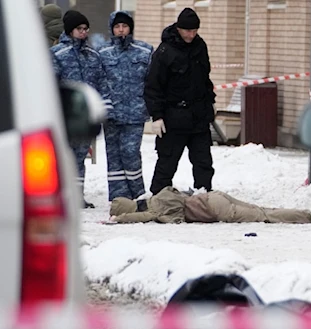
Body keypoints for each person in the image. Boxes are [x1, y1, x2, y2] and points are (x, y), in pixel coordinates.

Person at [144, 8, 216, 196]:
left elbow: (205, 79)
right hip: (173, 117)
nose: (191, 35)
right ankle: (159, 198)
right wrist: (157, 116)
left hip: (199, 116)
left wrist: (210, 104)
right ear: (178, 28)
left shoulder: (200, 46)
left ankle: (204, 196)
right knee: (167, 163)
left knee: (203, 162)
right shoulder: (165, 51)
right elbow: (153, 86)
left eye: (195, 31)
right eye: (187, 31)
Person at [50, 10, 114, 208]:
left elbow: (102, 82)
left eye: (86, 29)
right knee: (61, 158)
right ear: (70, 31)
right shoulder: (57, 54)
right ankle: (58, 196)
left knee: (79, 158)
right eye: (79, 29)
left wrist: (104, 106)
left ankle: (77, 197)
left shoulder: (92, 56)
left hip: (82, 117)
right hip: (62, 116)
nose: (84, 32)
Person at [98, 11, 153, 202]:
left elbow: (152, 82)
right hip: (111, 114)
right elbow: (99, 81)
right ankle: (119, 198)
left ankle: (138, 194)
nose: (121, 30)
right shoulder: (102, 53)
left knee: (130, 153)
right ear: (112, 29)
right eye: (117, 26)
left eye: (124, 26)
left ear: (131, 28)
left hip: (135, 113)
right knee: (113, 156)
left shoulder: (145, 51)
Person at [109, 186, 311, 224]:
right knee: (262, 210)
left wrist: (119, 220)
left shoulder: (156, 209)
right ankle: (310, 214)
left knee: (265, 216)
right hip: (213, 197)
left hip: (215, 210)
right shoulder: (160, 195)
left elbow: (143, 217)